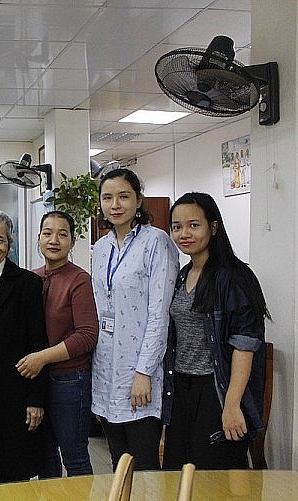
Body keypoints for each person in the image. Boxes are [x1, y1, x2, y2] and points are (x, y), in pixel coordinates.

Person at [162, 192, 269, 469]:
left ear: (213, 226)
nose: (184, 233)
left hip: (216, 391)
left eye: (193, 225)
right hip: (182, 389)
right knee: (179, 474)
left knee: (215, 480)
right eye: (176, 227)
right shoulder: (182, 275)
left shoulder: (233, 277)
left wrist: (232, 405)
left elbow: (244, 346)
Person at [91, 168, 179, 471]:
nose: (115, 204)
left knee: (143, 464)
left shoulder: (157, 242)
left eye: (124, 196)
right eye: (107, 197)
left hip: (141, 370)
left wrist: (144, 372)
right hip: (106, 368)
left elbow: (160, 314)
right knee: (119, 462)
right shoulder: (101, 248)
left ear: (139, 200)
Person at [0, 210, 48, 500]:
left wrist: (35, 399)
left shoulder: (28, 283)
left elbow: (38, 343)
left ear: (10, 243)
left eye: (0, 240)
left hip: (16, 393)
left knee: (15, 472)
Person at [17, 210, 99, 476]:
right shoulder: (31, 278)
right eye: (47, 233)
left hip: (69, 380)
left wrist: (42, 358)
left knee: (74, 458)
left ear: (73, 241)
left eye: (62, 234)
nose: (54, 240)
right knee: (45, 457)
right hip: (36, 382)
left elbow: (87, 335)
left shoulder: (79, 279)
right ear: (38, 238)